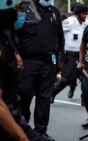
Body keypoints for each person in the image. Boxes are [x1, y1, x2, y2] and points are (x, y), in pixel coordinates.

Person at [16, 0, 65, 140]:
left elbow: (60, 37)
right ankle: (22, 128)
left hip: (48, 63)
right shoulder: (24, 10)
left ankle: (41, 132)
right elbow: (13, 34)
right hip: (27, 62)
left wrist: (60, 58)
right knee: (24, 95)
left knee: (44, 98)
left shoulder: (54, 12)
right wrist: (15, 54)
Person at [0, 0, 44, 140]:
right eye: (18, 8)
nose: (22, 12)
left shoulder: (7, 37)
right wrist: (21, 136)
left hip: (14, 114)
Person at [49, 3, 88, 104]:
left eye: (86, 13)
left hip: (83, 55)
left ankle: (85, 98)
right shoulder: (68, 22)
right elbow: (57, 33)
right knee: (66, 79)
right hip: (70, 56)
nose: (85, 15)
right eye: (83, 14)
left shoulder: (87, 23)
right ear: (77, 14)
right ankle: (52, 93)